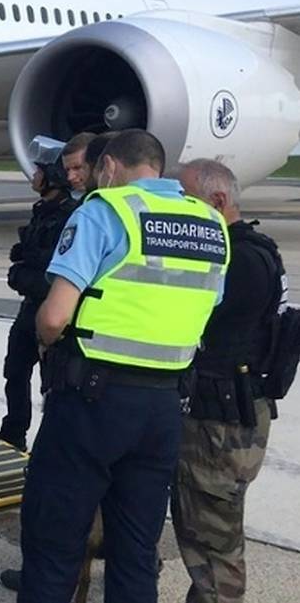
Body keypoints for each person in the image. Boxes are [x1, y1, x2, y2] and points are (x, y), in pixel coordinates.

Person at [19, 129, 229, 603]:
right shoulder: (209, 224)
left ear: (109, 167)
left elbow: (54, 317)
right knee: (135, 550)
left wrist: (46, 336)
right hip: (164, 408)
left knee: (54, 544)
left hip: (93, 400)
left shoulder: (104, 211)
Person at [173, 159, 285, 603]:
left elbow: (204, 330)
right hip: (230, 414)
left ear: (218, 202)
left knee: (213, 537)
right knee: (204, 526)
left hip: (220, 424)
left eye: (186, 199)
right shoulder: (255, 250)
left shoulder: (236, 260)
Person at [0, 144, 84, 450]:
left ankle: (49, 441)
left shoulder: (68, 217)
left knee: (53, 384)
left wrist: (22, 274)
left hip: (48, 309)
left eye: (39, 171)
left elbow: (56, 275)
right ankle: (14, 431)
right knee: (15, 371)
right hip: (29, 311)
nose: (34, 176)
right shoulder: (43, 211)